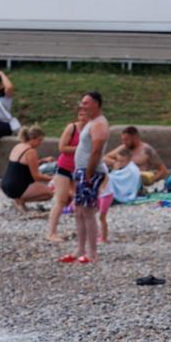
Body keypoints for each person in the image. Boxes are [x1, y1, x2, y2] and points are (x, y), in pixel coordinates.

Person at [63, 92, 110, 265]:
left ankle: (92, 253)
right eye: (82, 102)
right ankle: (80, 249)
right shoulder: (91, 123)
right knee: (79, 211)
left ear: (96, 104)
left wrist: (89, 173)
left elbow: (96, 151)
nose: (83, 106)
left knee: (89, 212)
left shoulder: (99, 124)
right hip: (82, 170)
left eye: (86, 103)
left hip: (91, 172)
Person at [1, 126, 55, 210]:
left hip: (5, 184)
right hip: (17, 187)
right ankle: (20, 201)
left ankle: (19, 199)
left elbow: (22, 164)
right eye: (39, 140)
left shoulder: (18, 146)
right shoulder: (31, 151)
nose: (40, 143)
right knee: (50, 193)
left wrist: (43, 160)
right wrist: (53, 178)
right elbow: (36, 176)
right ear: (33, 138)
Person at [45, 118, 80, 243]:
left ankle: (82, 230)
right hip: (64, 167)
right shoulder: (72, 128)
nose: (83, 116)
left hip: (79, 168)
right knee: (61, 201)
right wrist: (80, 148)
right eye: (81, 113)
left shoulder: (92, 129)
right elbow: (62, 147)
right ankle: (51, 232)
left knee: (80, 200)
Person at [105, 127, 169, 184]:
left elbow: (163, 170)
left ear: (135, 138)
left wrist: (152, 180)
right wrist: (117, 163)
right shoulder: (123, 147)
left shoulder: (147, 150)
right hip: (124, 181)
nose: (123, 142)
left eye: (126, 140)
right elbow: (105, 158)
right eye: (122, 139)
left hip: (139, 182)